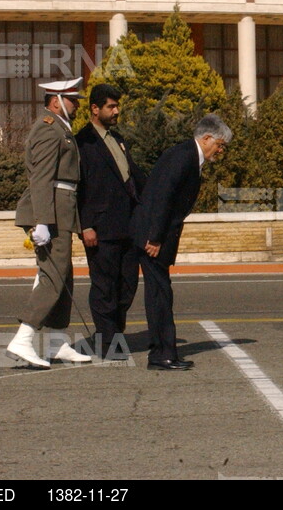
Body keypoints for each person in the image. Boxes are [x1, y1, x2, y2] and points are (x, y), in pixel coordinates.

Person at [130, 114, 232, 370]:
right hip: (154, 236)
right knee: (159, 295)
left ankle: (166, 351)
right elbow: (163, 197)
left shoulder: (190, 156)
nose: (220, 150)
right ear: (206, 137)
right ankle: (161, 354)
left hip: (159, 234)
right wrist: (155, 237)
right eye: (220, 144)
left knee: (161, 293)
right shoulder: (184, 156)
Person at [6, 77, 92, 368]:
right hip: (51, 212)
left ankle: (56, 341)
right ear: (56, 100)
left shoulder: (60, 129)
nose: (76, 105)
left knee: (63, 276)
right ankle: (23, 338)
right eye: (72, 100)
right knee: (53, 277)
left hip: (60, 211)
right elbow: (41, 178)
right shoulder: (48, 128)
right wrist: (42, 221)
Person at [76, 84, 146, 360]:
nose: (116, 111)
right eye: (111, 107)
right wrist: (85, 224)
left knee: (127, 285)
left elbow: (132, 178)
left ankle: (114, 335)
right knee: (104, 287)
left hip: (127, 226)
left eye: (117, 106)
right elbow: (79, 187)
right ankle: (108, 343)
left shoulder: (117, 138)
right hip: (100, 228)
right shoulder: (83, 142)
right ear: (95, 109)